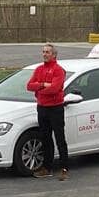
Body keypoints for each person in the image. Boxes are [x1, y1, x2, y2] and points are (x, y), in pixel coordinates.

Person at [26, 43, 68, 180]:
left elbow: (55, 89)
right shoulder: (39, 69)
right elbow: (29, 86)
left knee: (60, 138)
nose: (44, 54)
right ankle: (47, 167)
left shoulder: (58, 70)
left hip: (56, 108)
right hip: (42, 108)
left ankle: (64, 168)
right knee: (45, 138)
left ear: (54, 54)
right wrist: (43, 85)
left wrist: (40, 89)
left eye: (47, 52)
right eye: (43, 51)